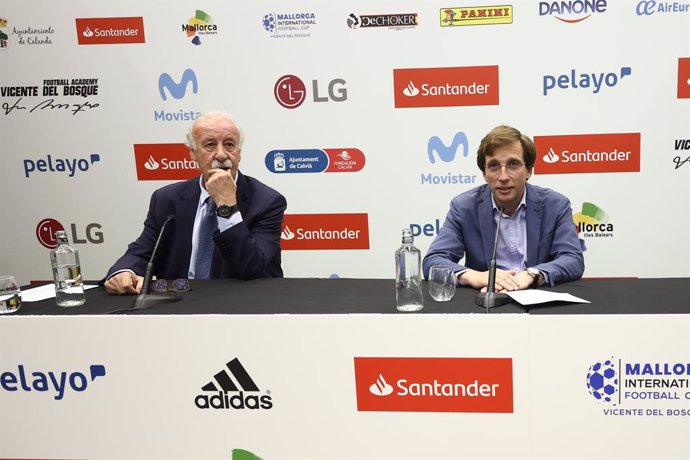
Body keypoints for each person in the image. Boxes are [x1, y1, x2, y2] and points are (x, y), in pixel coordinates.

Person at [104, 111, 287, 295]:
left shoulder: (267, 201)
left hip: (243, 304)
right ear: (193, 153)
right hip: (179, 305)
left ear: (239, 153)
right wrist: (124, 271)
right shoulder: (166, 199)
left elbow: (251, 267)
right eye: (210, 145)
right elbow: (142, 250)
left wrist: (226, 205)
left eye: (229, 145)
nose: (221, 155)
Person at [423, 125, 584, 292]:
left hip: (537, 299)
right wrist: (476, 276)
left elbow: (573, 259)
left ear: (528, 170)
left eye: (513, 164)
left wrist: (532, 275)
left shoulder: (556, 205)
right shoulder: (464, 207)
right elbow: (433, 261)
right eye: (493, 166)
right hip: (486, 300)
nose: (504, 176)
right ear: (485, 173)